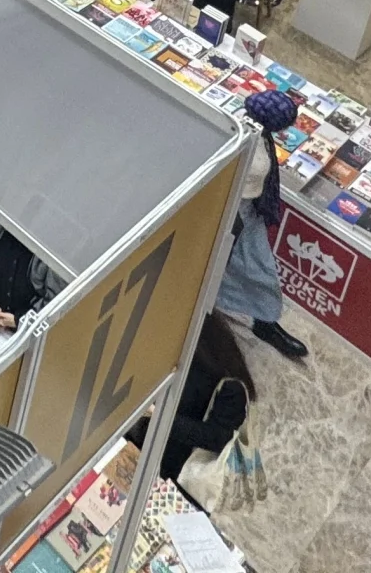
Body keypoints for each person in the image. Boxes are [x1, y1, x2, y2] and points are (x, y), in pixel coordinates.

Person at [216, 87, 311, 361]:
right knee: (216, 266)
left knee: (259, 266)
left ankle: (264, 321)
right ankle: (211, 319)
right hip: (229, 211)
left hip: (250, 210)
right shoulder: (240, 137)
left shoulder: (262, 135)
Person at [160, 317, 256, 484]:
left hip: (179, 472)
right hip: (150, 452)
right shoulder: (174, 353)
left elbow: (218, 438)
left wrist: (161, 418)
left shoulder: (229, 382)